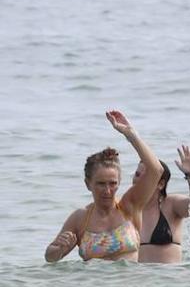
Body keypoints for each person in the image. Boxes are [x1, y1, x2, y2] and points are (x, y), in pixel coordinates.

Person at [45, 111, 162, 263]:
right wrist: (59, 249)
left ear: (119, 182)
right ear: (88, 183)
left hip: (130, 284)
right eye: (101, 184)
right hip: (93, 286)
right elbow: (49, 257)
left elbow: (156, 170)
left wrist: (131, 134)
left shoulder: (130, 206)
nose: (107, 191)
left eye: (112, 183)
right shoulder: (80, 218)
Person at [135, 145, 190, 264]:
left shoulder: (171, 204)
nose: (138, 180)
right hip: (138, 279)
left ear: (161, 184)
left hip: (169, 279)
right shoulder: (128, 208)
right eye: (137, 175)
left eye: (146, 176)